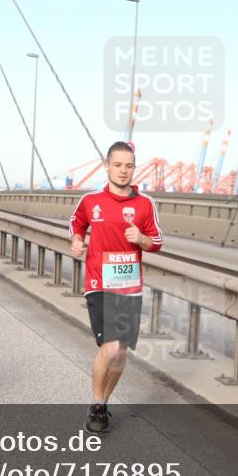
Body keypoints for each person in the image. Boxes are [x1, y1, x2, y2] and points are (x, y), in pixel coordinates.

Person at [69, 141, 163, 434]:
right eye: (118, 165)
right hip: (99, 282)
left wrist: (143, 240)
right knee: (109, 348)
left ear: (134, 168)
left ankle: (103, 403)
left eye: (129, 166)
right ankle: (97, 404)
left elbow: (157, 242)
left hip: (129, 285)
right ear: (107, 166)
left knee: (121, 354)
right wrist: (76, 239)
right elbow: (78, 222)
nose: (124, 171)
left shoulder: (145, 204)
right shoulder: (90, 200)